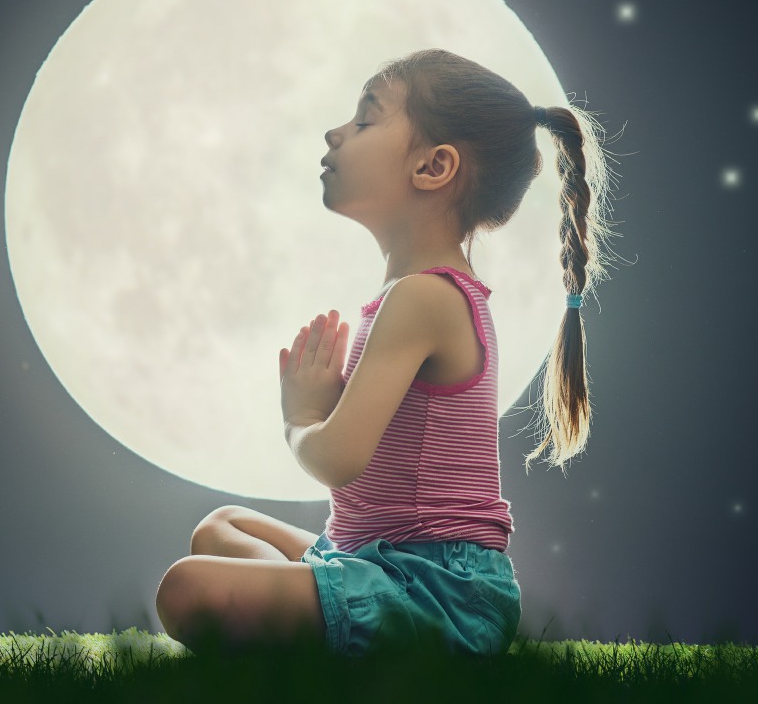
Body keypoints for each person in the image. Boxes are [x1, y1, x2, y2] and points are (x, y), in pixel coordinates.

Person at [155, 48, 626, 660]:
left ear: (433, 167)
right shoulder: (411, 294)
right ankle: (318, 626)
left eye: (365, 119)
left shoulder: (424, 298)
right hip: (369, 558)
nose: (335, 132)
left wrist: (301, 416)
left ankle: (318, 641)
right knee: (219, 527)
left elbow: (337, 461)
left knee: (185, 588)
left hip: (434, 590)